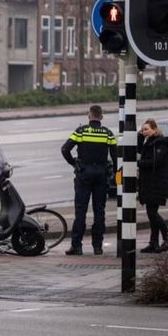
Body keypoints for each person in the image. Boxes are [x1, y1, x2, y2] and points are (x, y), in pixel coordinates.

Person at [61, 104, 117, 255]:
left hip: (84, 174)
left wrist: (74, 163)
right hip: (101, 174)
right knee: (100, 211)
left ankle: (76, 245)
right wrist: (114, 175)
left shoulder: (81, 131)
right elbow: (115, 156)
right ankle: (97, 246)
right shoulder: (108, 134)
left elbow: (65, 149)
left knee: (81, 211)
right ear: (101, 117)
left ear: (89, 115)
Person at [137, 119, 168, 253]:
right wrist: (139, 135)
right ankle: (153, 242)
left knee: (152, 213)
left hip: (157, 182)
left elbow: (156, 162)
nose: (144, 132)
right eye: (143, 130)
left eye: (146, 129)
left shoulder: (161, 144)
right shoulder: (148, 142)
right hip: (148, 183)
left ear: (155, 129)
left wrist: (139, 163)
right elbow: (137, 149)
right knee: (151, 213)